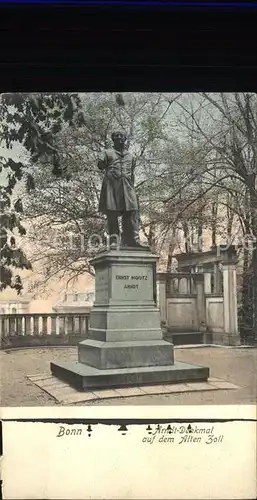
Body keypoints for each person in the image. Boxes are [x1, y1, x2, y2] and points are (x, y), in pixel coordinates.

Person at [97, 130, 144, 247]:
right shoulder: (107, 152)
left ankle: (133, 239)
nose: (119, 138)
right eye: (116, 136)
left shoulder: (131, 156)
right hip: (112, 186)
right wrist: (101, 160)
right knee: (112, 212)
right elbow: (100, 165)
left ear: (125, 139)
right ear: (113, 140)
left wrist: (131, 187)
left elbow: (132, 173)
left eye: (121, 136)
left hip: (127, 186)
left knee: (132, 211)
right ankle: (114, 239)